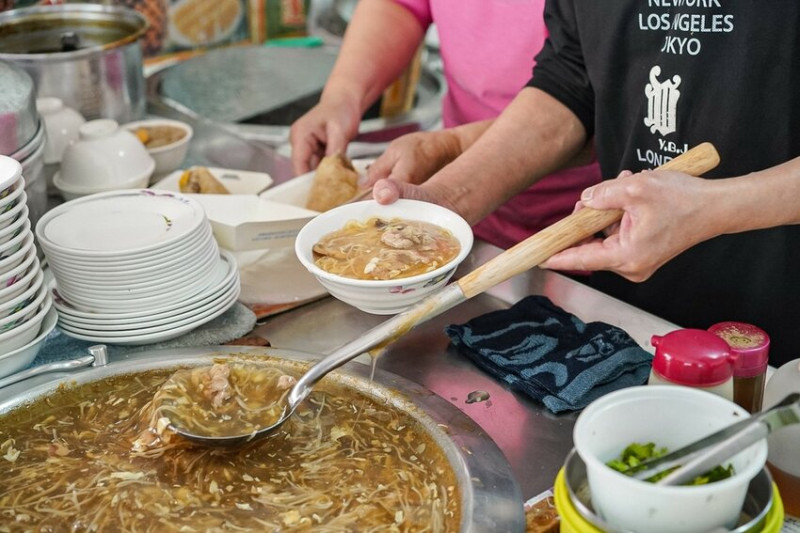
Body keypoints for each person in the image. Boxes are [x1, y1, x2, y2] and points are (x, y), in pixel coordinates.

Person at [368, 1, 800, 367]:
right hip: (628, 315)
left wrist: (718, 206)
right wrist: (446, 200)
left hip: (777, 324)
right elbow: (571, 80)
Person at [289, 0, 600, 249]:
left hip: (590, 223)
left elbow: (584, 96)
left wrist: (449, 151)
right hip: (470, 217)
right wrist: (343, 95)